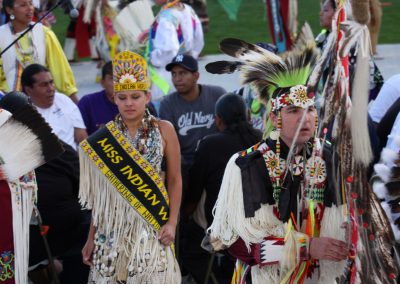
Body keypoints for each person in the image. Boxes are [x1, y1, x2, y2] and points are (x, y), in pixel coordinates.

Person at [205, 40, 350, 283]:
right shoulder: (247, 165)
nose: (304, 118)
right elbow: (237, 244)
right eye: (293, 110)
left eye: (310, 109)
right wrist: (307, 248)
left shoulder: (329, 156)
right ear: (275, 117)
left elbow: (347, 219)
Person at [79, 50, 182, 283]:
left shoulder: (165, 129)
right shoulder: (104, 137)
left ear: (147, 96)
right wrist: (91, 236)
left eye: (135, 96)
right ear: (114, 98)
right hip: (111, 227)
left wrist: (172, 222)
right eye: (122, 97)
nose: (129, 103)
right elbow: (101, 193)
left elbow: (175, 179)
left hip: (151, 221)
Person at [180, 93, 262, 283]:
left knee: (189, 243)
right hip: (258, 222)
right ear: (248, 114)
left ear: (218, 120)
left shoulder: (209, 144)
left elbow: (194, 192)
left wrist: (183, 217)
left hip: (221, 224)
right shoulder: (261, 140)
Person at [159, 54, 225, 200]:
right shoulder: (167, 104)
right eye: (174, 74)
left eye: (182, 73)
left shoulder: (217, 95)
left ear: (196, 75)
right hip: (185, 164)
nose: (177, 78)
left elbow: (229, 131)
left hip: (214, 161)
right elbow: (169, 146)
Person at [0, 0, 79, 102]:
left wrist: (72, 97)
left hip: (43, 101)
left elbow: (60, 69)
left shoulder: (44, 33)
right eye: (23, 5)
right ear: (9, 10)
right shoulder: (1, 36)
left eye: (31, 4)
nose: (30, 8)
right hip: (9, 103)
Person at [147, 0, 204, 102]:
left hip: (165, 76)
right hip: (185, 71)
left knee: (165, 110)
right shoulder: (188, 10)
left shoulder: (166, 18)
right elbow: (199, 40)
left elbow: (169, 50)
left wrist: (151, 58)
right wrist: (189, 60)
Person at [21, 63, 87, 150]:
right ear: (29, 90)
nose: (51, 89)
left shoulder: (63, 100)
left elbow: (82, 139)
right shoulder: (24, 115)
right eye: (44, 85)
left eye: (51, 82)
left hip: (75, 159)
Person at [78, 61, 119, 135]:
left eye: (121, 78)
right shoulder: (87, 103)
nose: (118, 83)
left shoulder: (139, 104)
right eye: (112, 78)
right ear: (102, 82)